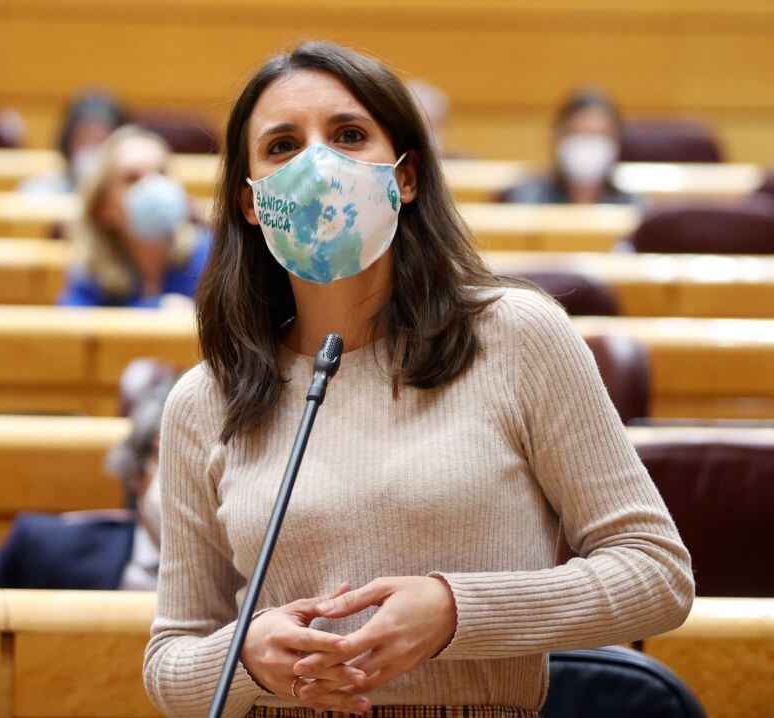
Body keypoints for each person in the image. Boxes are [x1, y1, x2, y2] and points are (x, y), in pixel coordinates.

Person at [143, 42, 692, 717]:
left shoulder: (517, 338)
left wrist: (455, 611)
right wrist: (248, 656)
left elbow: (657, 572)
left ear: (405, 176)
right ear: (251, 203)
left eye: (348, 135)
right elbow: (170, 662)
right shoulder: (206, 401)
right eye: (283, 146)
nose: (319, 165)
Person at [0, 370, 173, 589]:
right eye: (172, 460)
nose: (188, 480)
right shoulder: (47, 549)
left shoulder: (210, 579)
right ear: (136, 473)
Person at [58, 125, 210, 308]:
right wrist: (155, 309)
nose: (153, 187)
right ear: (103, 207)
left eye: (161, 173)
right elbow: (73, 327)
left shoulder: (209, 258)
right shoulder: (91, 275)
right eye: (132, 178)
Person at [501, 89, 637, 205]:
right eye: (579, 134)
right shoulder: (528, 197)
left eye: (598, 136)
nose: (588, 146)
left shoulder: (632, 203)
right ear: (559, 138)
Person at [17, 89, 131, 197]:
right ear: (68, 142)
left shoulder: (126, 199)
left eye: (101, 142)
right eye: (83, 141)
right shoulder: (40, 192)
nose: (91, 150)